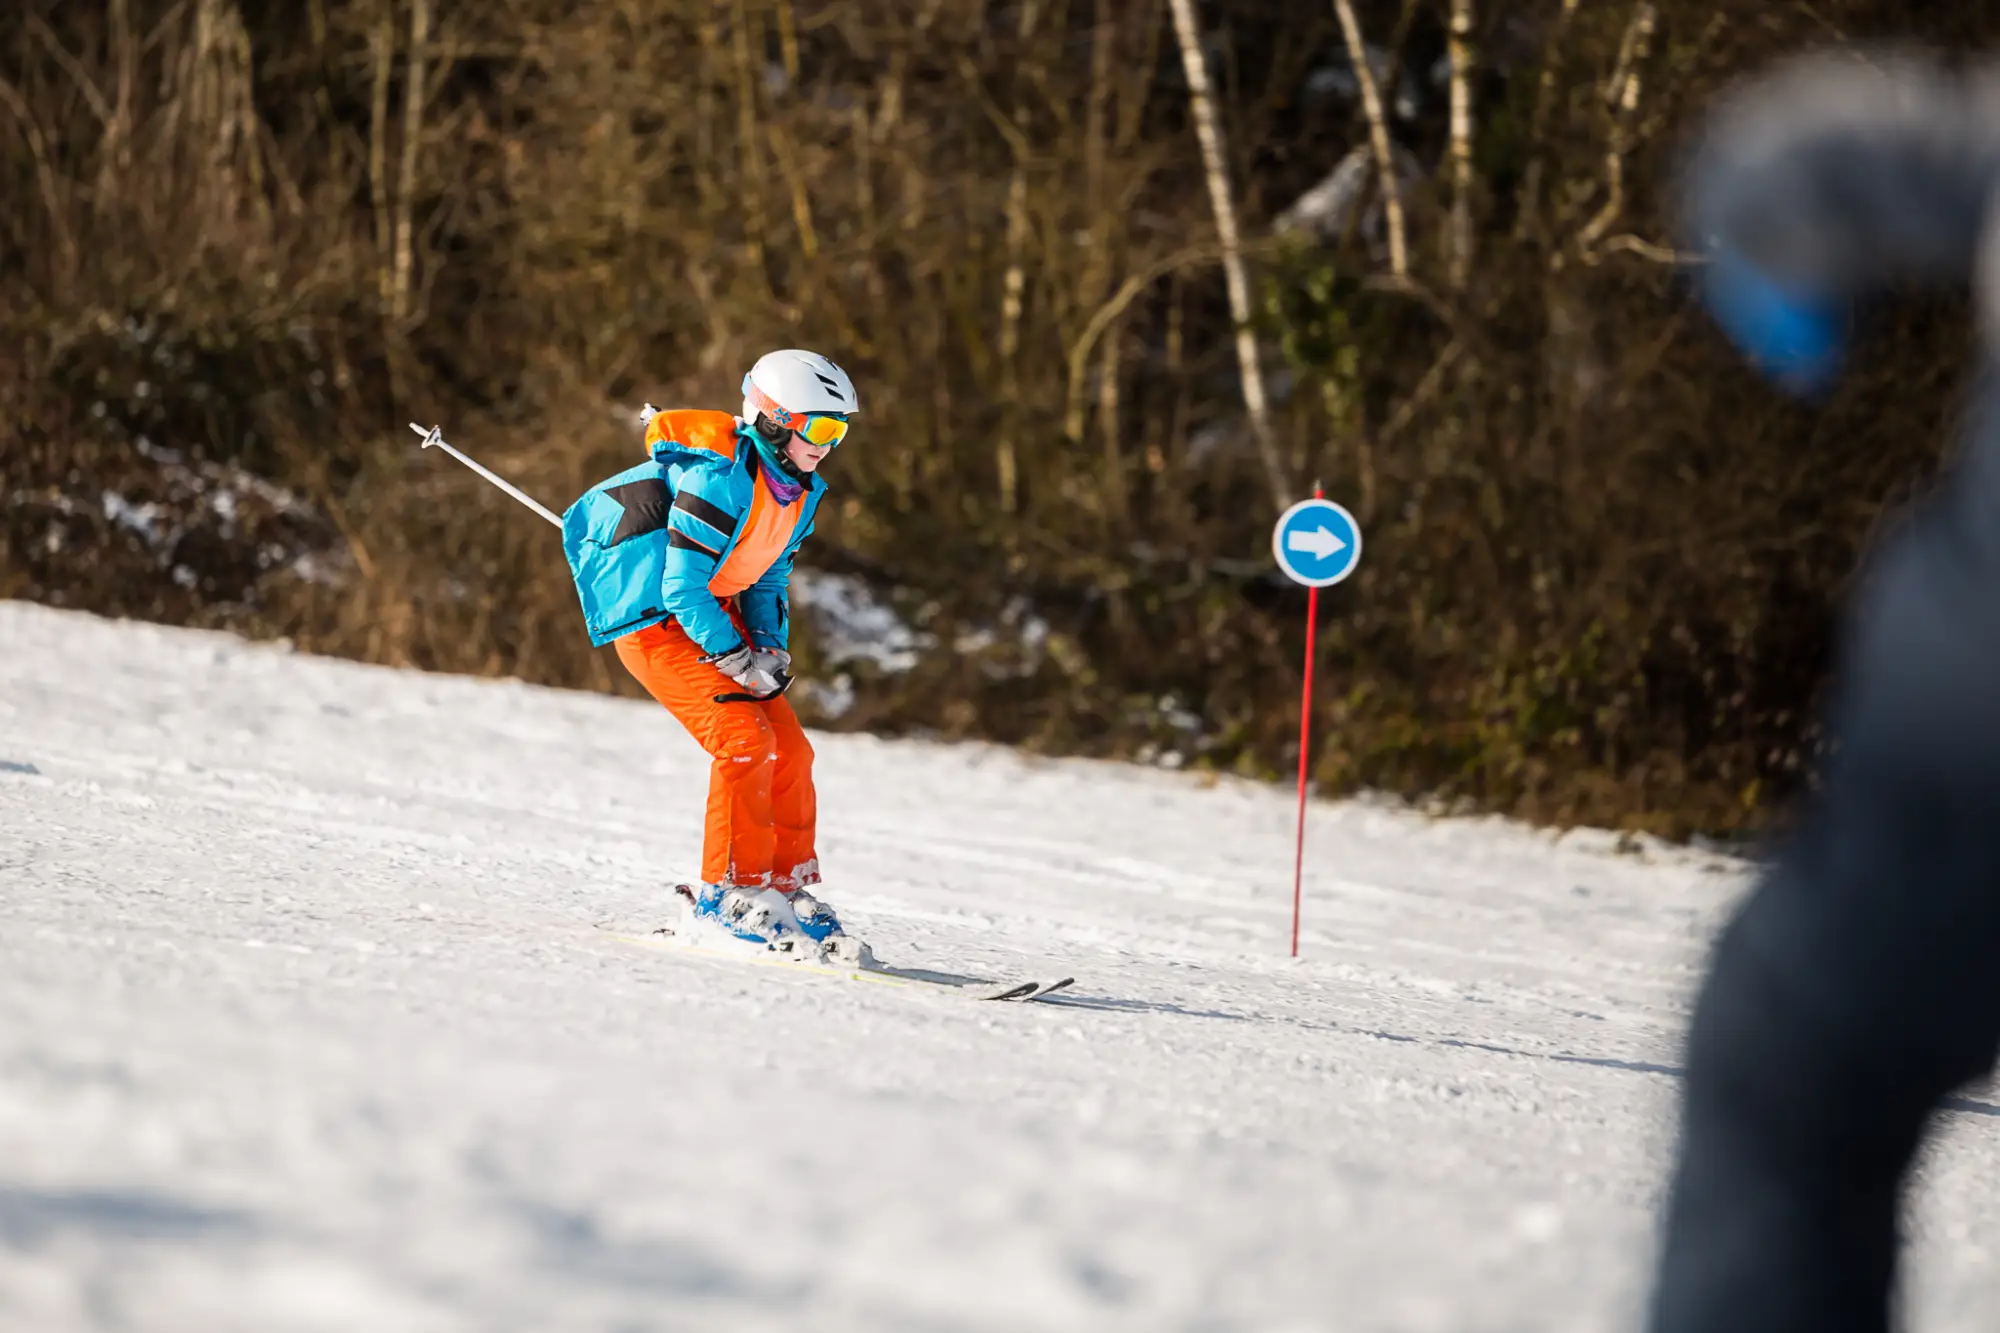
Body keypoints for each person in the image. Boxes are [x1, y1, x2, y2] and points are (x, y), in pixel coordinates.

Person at [1652, 50, 2000, 1333]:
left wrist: (1772, 207)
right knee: (1792, 1053)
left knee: (1796, 1055)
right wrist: (1780, 194)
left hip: (1962, 770)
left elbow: (1886, 151)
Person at [561, 348, 860, 952]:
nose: (830, 444)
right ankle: (731, 895)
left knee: (792, 751)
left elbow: (768, 577)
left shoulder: (799, 490)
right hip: (657, 626)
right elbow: (681, 585)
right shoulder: (719, 480)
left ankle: (785, 887)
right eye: (822, 428)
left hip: (714, 620)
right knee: (745, 743)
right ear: (775, 420)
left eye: (840, 430)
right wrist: (734, 658)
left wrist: (770, 649)